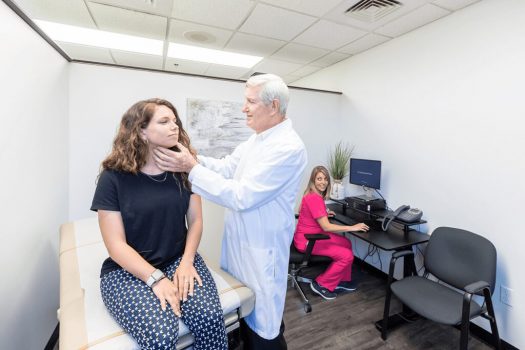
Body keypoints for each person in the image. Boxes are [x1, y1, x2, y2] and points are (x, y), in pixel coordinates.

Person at [153, 74, 307, 349]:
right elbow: (226, 167)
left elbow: (242, 196)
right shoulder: (256, 140)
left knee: (264, 329)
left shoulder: (288, 148)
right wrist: (193, 159)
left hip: (262, 252)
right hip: (240, 246)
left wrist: (190, 167)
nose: (243, 108)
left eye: (250, 101)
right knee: (244, 318)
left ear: (273, 106)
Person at [90, 98, 228, 350]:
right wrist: (157, 279)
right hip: (126, 271)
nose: (174, 126)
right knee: (161, 334)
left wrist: (187, 262)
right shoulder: (113, 178)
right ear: (140, 131)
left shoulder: (185, 169)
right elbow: (115, 245)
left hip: (177, 259)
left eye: (175, 121)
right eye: (164, 121)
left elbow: (196, 221)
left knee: (210, 318)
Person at [294, 165, 369, 300]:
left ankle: (341, 280)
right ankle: (321, 284)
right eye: (319, 178)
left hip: (307, 236)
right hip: (309, 240)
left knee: (346, 242)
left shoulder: (311, 194)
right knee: (346, 256)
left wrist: (324, 213)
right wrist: (352, 227)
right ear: (313, 180)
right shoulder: (314, 198)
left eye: (325, 179)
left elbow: (301, 211)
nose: (323, 182)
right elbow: (327, 227)